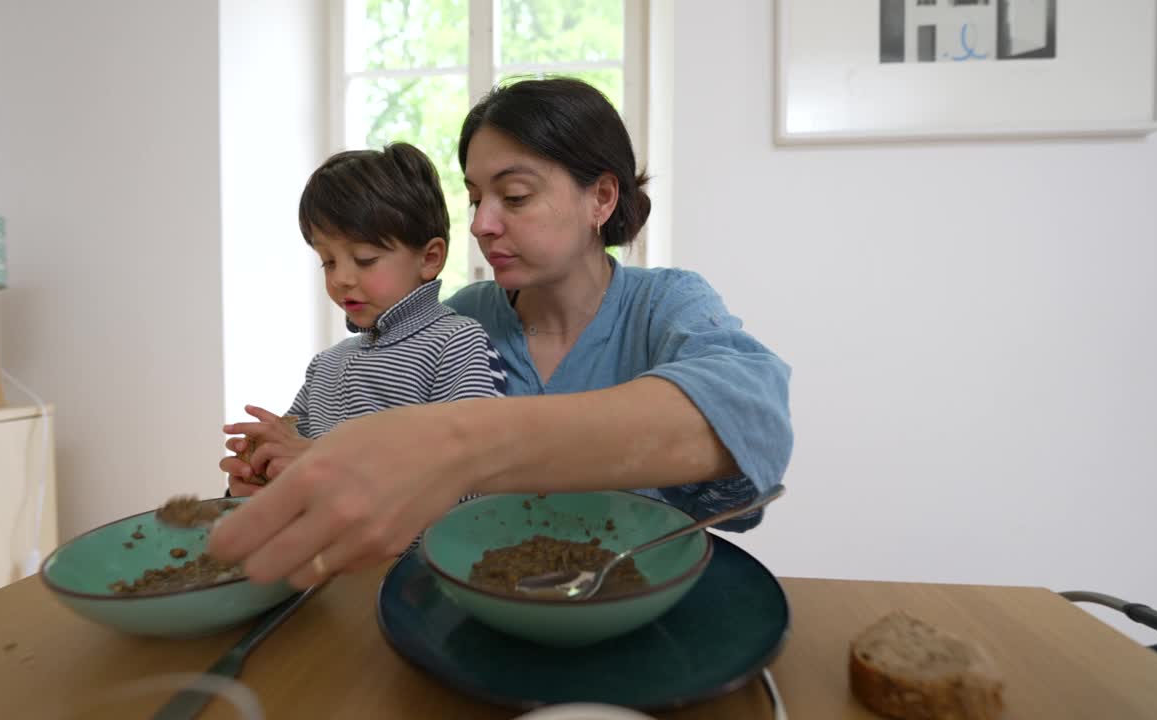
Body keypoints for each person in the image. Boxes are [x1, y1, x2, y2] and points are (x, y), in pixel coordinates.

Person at [210, 78, 792, 590]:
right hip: (477, 605)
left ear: (601, 197)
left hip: (637, 599)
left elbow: (751, 416)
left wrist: (456, 446)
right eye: (475, 198)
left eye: (514, 196)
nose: (483, 225)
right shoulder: (458, 321)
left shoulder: (666, 304)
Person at [221, 143, 507, 490]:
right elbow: (293, 466)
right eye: (328, 261)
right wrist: (256, 477)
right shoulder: (325, 366)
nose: (340, 277)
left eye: (365, 259)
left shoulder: (456, 343)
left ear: (430, 258)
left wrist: (322, 462)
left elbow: (473, 480)